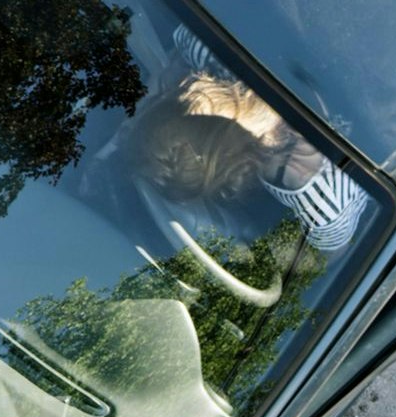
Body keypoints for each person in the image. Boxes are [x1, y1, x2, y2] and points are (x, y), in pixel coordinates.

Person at [123, 25, 365, 252]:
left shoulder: (323, 204)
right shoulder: (210, 46)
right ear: (181, 91)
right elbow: (176, 58)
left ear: (233, 180)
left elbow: (334, 253)